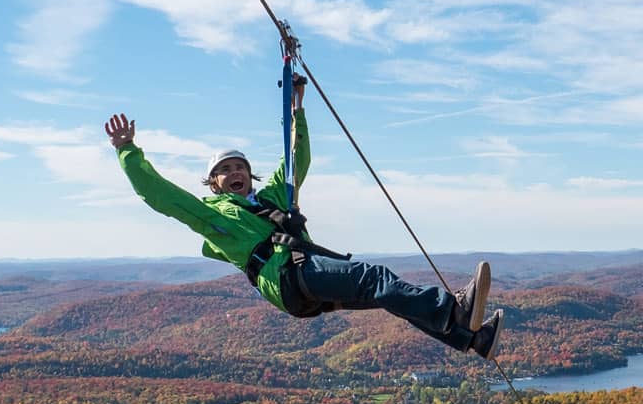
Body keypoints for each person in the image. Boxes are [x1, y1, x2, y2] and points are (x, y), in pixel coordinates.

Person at [104, 78, 504, 358]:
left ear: (249, 173)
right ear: (214, 183)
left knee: (383, 295)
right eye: (225, 170)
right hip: (287, 277)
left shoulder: (274, 196)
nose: (234, 172)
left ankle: (470, 340)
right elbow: (161, 196)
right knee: (374, 278)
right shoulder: (214, 217)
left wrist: (297, 110)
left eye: (239, 165)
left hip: (300, 282)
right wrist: (127, 151)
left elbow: (296, 158)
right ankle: (454, 311)